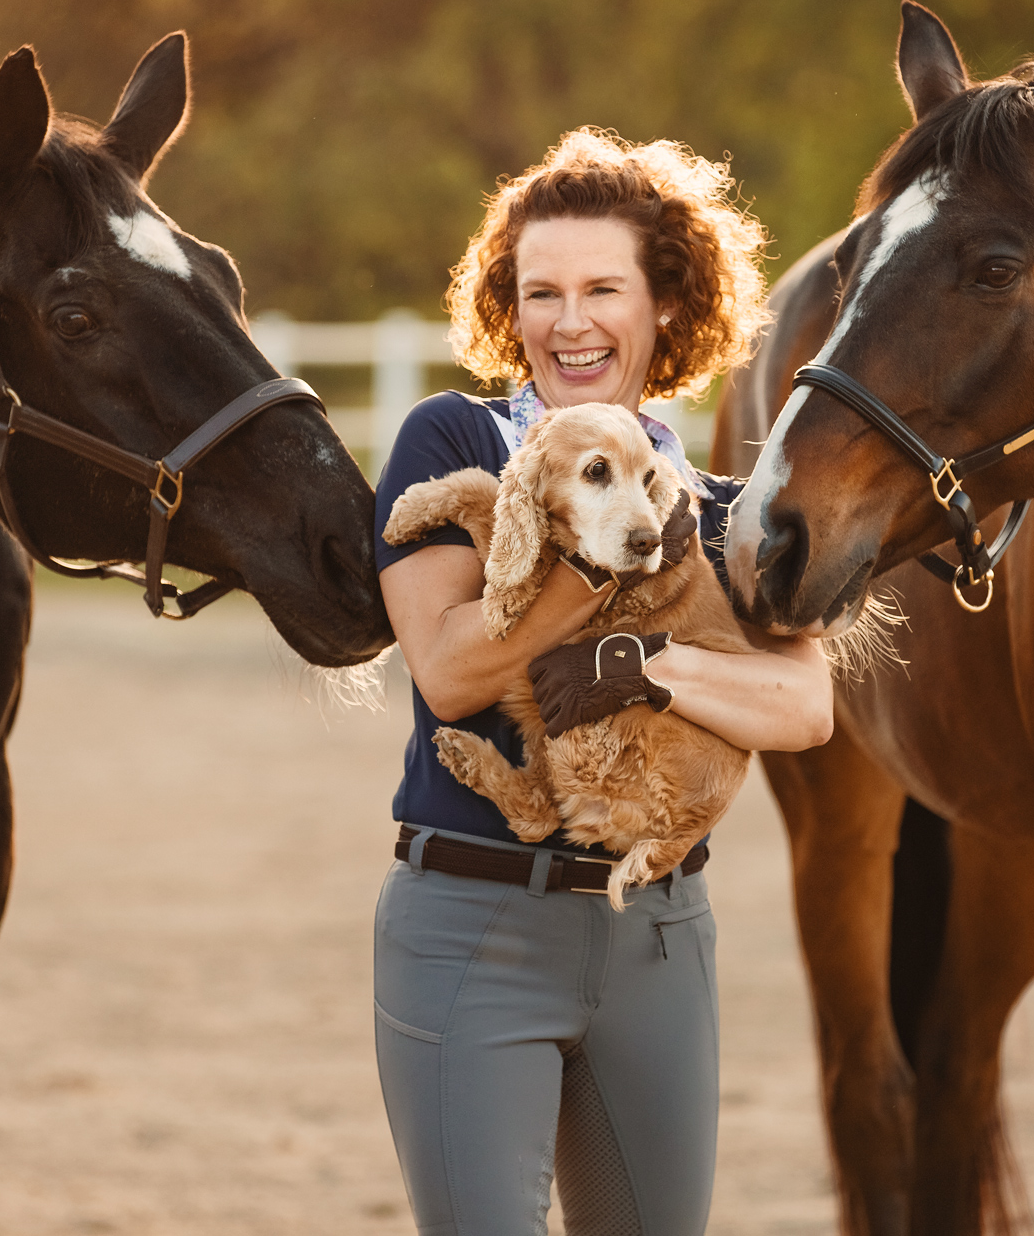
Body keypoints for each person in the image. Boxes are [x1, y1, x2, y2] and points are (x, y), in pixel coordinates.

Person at [372, 128, 836, 1236]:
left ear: (665, 304)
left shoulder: (716, 508)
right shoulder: (454, 443)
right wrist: (600, 556)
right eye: (538, 292)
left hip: (658, 937)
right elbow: (445, 672)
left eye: (599, 288)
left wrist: (644, 665)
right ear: (508, 308)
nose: (566, 321)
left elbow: (804, 705)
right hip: (470, 921)